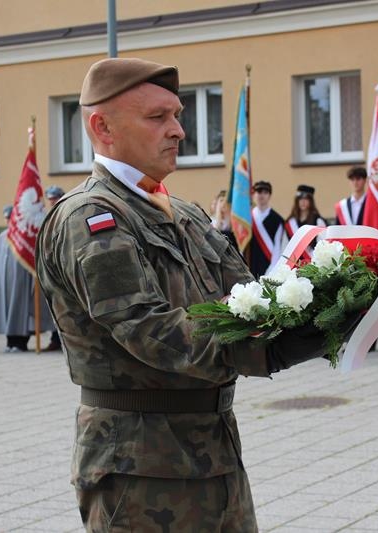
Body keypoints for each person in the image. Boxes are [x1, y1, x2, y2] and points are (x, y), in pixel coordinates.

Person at [36, 57, 338, 532]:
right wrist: (262, 346)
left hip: (214, 454)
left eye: (177, 115)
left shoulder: (186, 214)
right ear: (102, 127)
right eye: (157, 117)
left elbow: (249, 297)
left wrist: (329, 307)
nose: (178, 130)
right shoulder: (90, 217)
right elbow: (147, 329)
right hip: (140, 468)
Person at [0, 205, 54, 352]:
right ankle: (10, 342)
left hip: (20, 281)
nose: (8, 221)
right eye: (6, 218)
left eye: (11, 218)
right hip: (5, 282)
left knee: (20, 311)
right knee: (6, 310)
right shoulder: (2, 236)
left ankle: (20, 343)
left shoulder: (24, 235)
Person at [43, 186, 65, 352]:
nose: (52, 202)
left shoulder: (65, 213)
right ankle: (55, 339)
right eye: (50, 200)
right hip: (51, 267)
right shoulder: (47, 218)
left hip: (64, 266)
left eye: (54, 199)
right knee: (54, 305)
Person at [250, 180, 286, 278]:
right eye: (259, 192)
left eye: (265, 192)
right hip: (250, 264)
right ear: (254, 195)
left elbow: (278, 246)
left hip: (269, 265)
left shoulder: (277, 220)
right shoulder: (247, 218)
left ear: (269, 195)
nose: (261, 195)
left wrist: (272, 269)